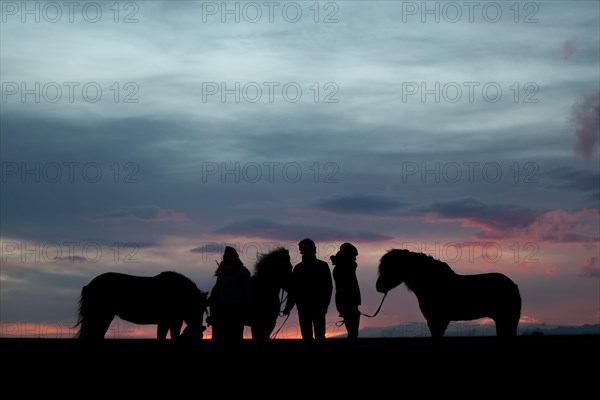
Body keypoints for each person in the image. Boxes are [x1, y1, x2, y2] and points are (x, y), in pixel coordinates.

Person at [282, 238, 333, 342]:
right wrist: (288, 307)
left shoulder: (321, 266)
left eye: (307, 248)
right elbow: (293, 290)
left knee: (318, 336)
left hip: (317, 306)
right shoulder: (298, 268)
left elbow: (328, 287)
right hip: (305, 307)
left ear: (313, 249)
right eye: (303, 248)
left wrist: (324, 305)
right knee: (307, 336)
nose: (305, 250)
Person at [208, 246, 254, 347]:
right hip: (222, 310)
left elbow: (248, 291)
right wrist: (211, 300)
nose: (228, 259)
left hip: (236, 310)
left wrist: (248, 308)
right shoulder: (223, 272)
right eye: (227, 257)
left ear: (235, 257)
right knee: (219, 338)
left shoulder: (243, 272)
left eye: (230, 256)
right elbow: (217, 289)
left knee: (235, 338)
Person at [331, 243, 361, 340]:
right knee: (352, 321)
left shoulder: (341, 266)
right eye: (354, 256)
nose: (355, 259)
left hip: (345, 298)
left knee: (351, 320)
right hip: (348, 298)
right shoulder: (346, 267)